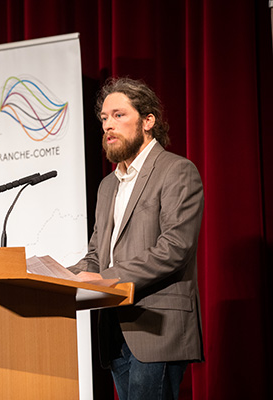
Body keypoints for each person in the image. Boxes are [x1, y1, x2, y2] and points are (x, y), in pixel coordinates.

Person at [69, 77, 204, 400]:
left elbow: (174, 248)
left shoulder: (176, 171)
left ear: (148, 121)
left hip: (157, 325)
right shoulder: (107, 186)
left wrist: (104, 278)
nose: (108, 126)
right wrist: (60, 277)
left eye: (118, 115)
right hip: (115, 328)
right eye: (103, 118)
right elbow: (96, 255)